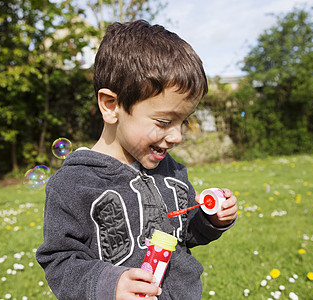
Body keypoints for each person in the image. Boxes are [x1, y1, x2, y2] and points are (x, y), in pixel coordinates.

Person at [36, 20, 238, 300]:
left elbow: (187, 233)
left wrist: (210, 219)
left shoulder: (171, 171)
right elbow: (60, 262)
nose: (177, 136)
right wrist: (109, 284)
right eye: (164, 121)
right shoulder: (73, 184)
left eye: (183, 122)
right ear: (111, 106)